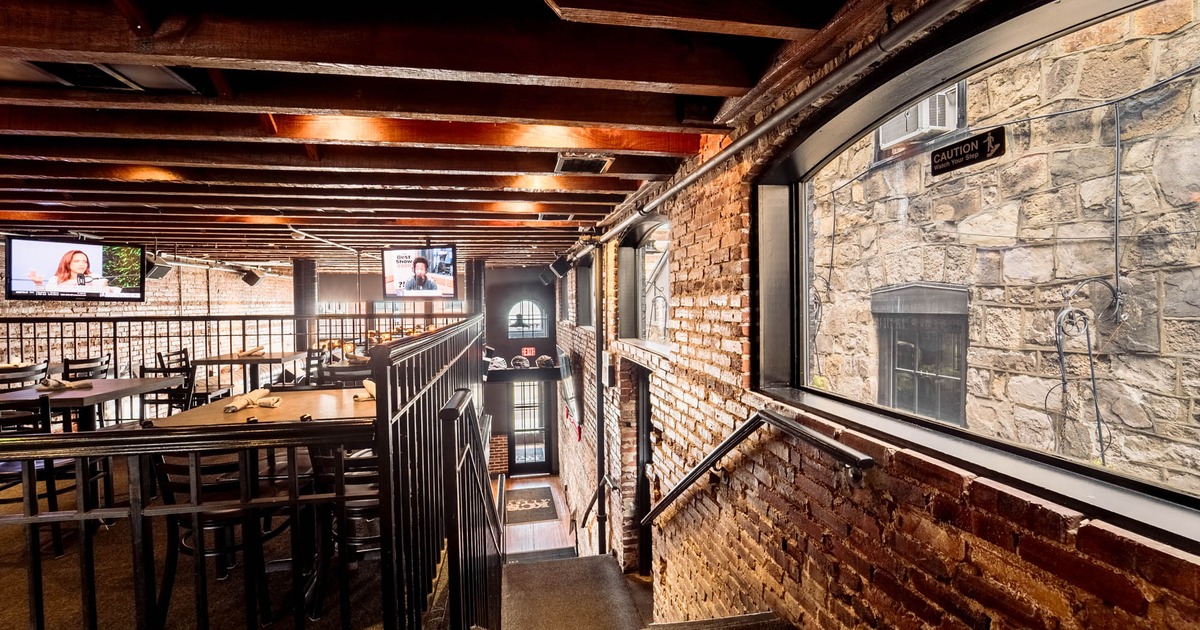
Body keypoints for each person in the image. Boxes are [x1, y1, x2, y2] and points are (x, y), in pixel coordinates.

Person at [28, 249, 112, 291]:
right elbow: (46, 298)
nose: (81, 264)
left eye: (84, 261)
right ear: (67, 263)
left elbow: (108, 293)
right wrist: (38, 284)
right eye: (76, 261)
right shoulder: (56, 280)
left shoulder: (95, 277)